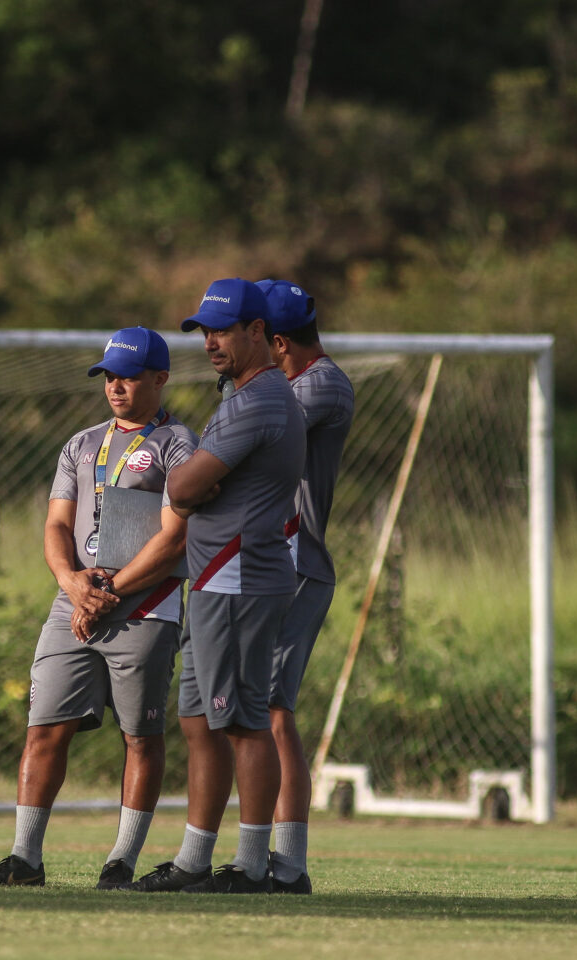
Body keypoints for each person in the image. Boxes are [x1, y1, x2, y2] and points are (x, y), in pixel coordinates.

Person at [0, 327, 196, 890]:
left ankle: (121, 862)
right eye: (109, 376)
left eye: (130, 375)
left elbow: (175, 538)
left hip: (145, 605)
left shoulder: (178, 445)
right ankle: (24, 859)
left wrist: (107, 593)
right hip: (74, 604)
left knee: (140, 734)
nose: (116, 386)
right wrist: (71, 583)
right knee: (44, 726)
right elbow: (56, 524)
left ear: (160, 379)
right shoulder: (82, 442)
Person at [124, 278, 305, 894]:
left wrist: (197, 483)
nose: (210, 342)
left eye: (223, 330)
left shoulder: (261, 399)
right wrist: (200, 481)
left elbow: (180, 487)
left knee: (244, 722)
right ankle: (195, 860)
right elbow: (193, 481)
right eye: (204, 330)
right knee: (201, 720)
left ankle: (254, 867)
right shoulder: (243, 392)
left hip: (238, 575)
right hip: (213, 577)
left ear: (259, 333)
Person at [257, 278, 355, 894]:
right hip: (264, 564)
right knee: (246, 711)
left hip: (294, 565)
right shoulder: (285, 383)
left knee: (272, 712)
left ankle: (288, 863)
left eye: (243, 332)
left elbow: (253, 439)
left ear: (277, 341)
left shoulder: (320, 384)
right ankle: (254, 853)